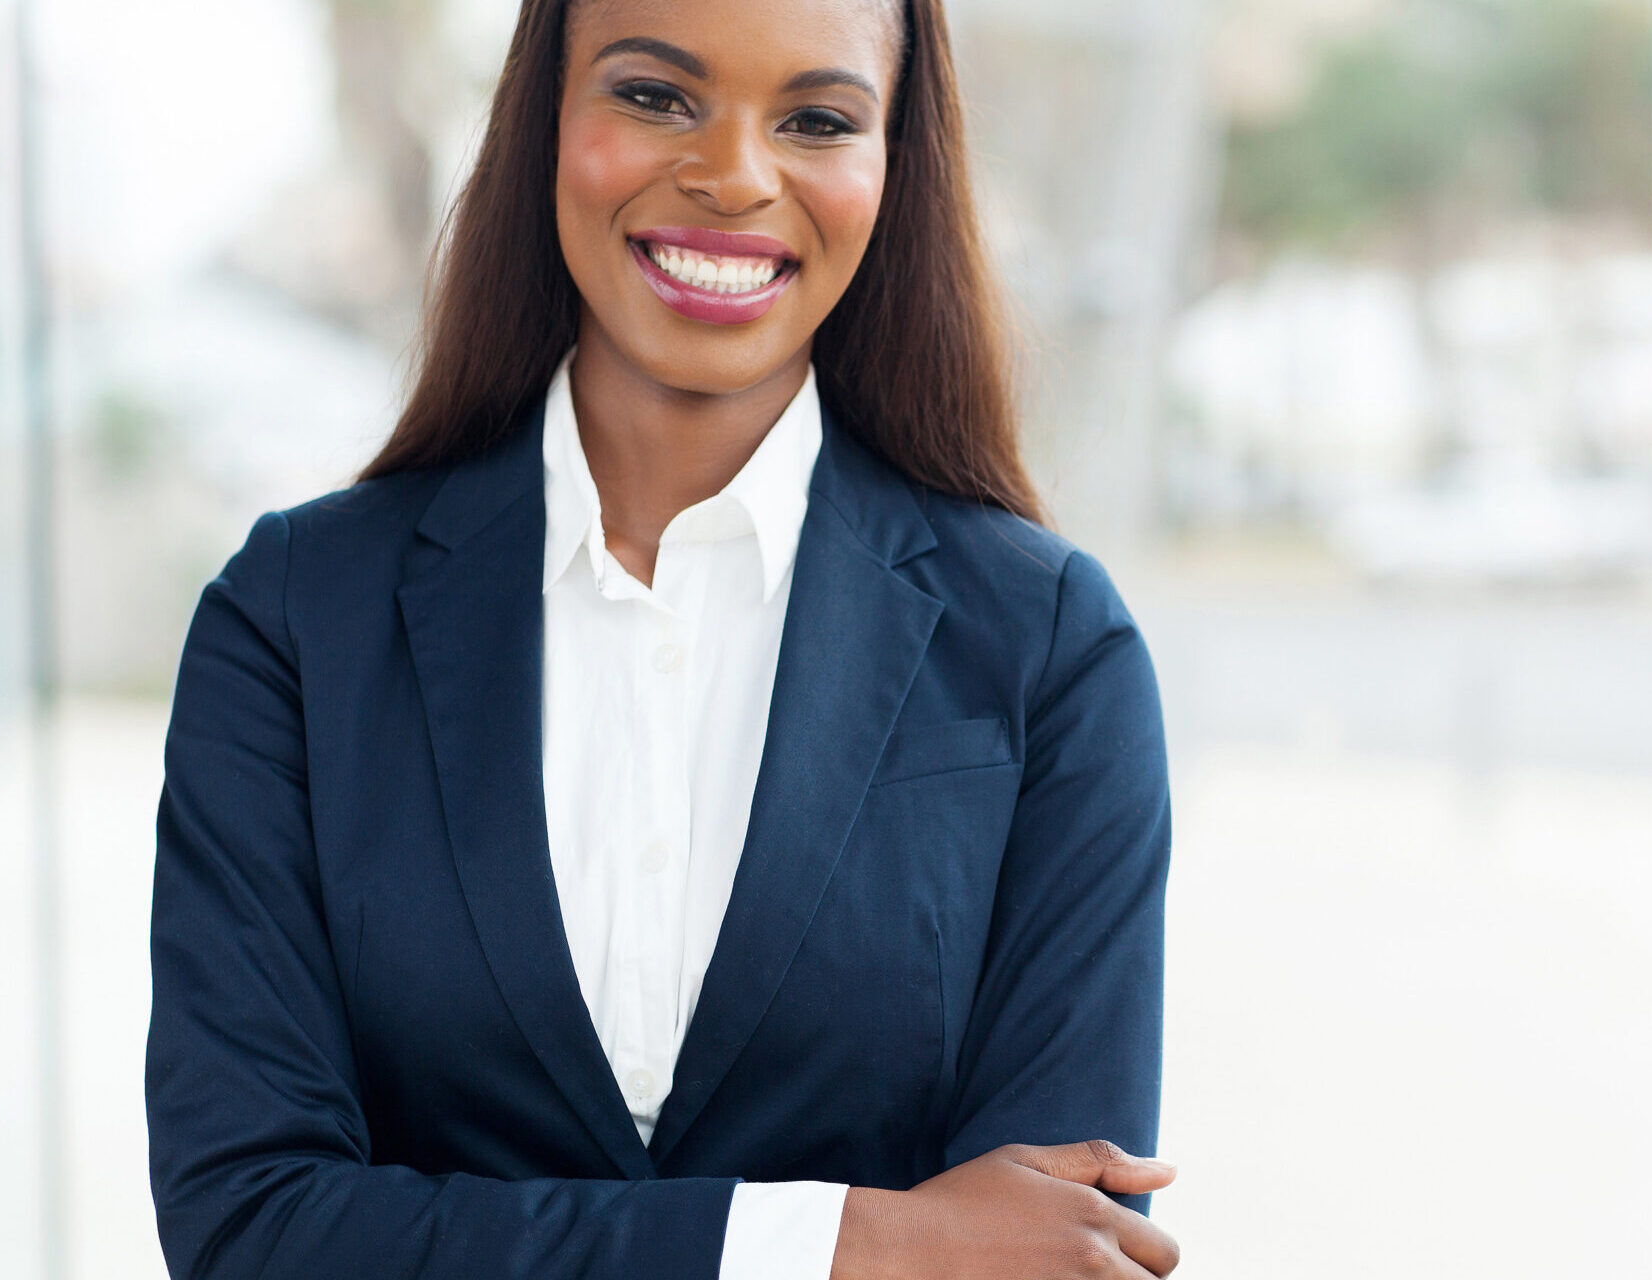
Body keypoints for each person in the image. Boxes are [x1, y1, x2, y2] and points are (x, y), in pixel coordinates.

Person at [142, 0, 1176, 1276]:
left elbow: (1045, 1251)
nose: (734, 175)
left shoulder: (1050, 652)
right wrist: (848, 1242)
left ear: (893, 168)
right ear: (545, 120)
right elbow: (250, 1227)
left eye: (816, 119)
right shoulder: (297, 620)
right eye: (654, 96)